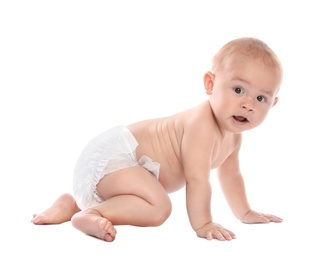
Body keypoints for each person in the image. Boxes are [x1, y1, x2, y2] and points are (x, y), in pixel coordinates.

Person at [31, 37, 283, 242]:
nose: (248, 104)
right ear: (210, 83)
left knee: (150, 199)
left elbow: (231, 177)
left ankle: (72, 204)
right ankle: (91, 213)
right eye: (238, 90)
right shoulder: (201, 125)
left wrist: (245, 212)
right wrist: (203, 223)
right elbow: (197, 180)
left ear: (273, 104)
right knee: (160, 207)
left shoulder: (233, 138)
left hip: (119, 175)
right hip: (113, 158)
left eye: (260, 98)